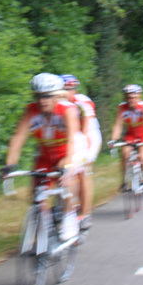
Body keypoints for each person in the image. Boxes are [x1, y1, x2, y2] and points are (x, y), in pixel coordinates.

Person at [4, 73, 81, 235]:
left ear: (56, 96)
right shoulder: (31, 111)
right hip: (45, 156)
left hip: (68, 151)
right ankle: (44, 231)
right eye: (38, 96)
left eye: (47, 96)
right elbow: (18, 137)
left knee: (66, 180)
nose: (42, 101)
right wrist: (10, 164)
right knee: (37, 194)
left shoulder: (67, 110)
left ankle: (69, 216)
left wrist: (68, 163)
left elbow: (73, 139)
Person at [61, 74, 101, 231]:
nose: (65, 92)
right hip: (72, 137)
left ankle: (85, 214)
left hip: (89, 136)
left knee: (83, 170)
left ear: (74, 90)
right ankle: (66, 206)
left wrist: (85, 155)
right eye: (62, 89)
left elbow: (86, 131)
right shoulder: (56, 103)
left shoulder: (82, 103)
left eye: (68, 89)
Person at [109, 84, 143, 190]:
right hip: (131, 135)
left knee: (142, 157)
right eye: (128, 97)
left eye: (133, 97)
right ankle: (125, 180)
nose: (130, 100)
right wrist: (114, 139)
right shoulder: (122, 108)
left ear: (139, 97)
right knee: (125, 153)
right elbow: (118, 125)